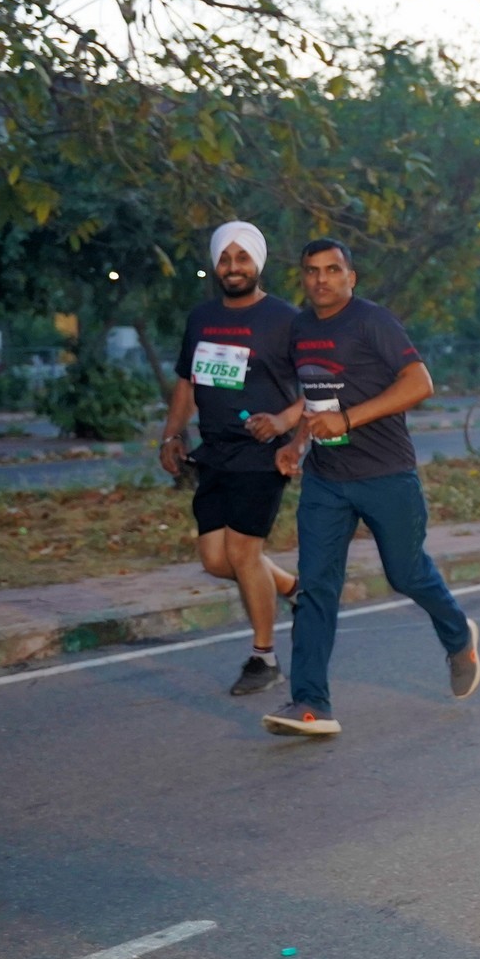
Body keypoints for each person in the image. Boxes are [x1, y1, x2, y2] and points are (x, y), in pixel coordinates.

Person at [244, 239, 480, 737]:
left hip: (386, 474)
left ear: (350, 277)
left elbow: (420, 383)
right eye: (312, 270)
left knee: (407, 573)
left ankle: (459, 635)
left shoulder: (374, 321)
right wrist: (297, 442)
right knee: (315, 588)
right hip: (326, 481)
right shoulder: (301, 328)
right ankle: (310, 703)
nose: (321, 279)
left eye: (332, 270)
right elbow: (316, 395)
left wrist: (349, 418)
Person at [161, 221, 301, 696]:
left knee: (243, 553)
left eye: (242, 258)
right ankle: (294, 589)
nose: (233, 267)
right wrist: (171, 434)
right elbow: (187, 382)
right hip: (214, 453)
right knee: (217, 560)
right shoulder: (201, 318)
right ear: (216, 265)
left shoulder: (284, 319)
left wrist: (283, 424)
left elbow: (320, 384)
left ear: (257, 263)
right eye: (225, 258)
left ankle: (264, 658)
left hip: (262, 455)